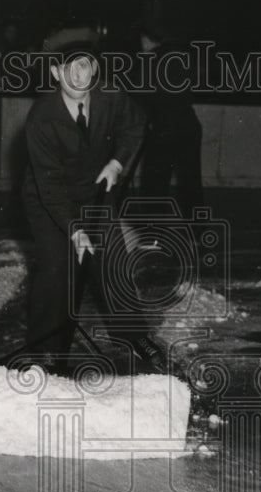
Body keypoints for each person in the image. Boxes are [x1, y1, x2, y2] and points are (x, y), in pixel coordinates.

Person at [21, 26, 165, 371]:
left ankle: (132, 334)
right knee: (57, 268)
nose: (77, 74)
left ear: (94, 69)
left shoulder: (111, 97)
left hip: (95, 194)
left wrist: (117, 163)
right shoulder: (42, 117)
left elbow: (136, 125)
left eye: (84, 65)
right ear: (56, 73)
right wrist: (75, 231)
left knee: (113, 259)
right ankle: (46, 347)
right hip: (48, 199)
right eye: (68, 67)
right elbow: (50, 186)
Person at [135, 20, 204, 218]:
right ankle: (198, 232)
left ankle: (153, 231)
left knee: (154, 183)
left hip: (163, 128)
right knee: (190, 182)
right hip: (189, 125)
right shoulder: (181, 59)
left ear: (147, 40)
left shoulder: (148, 62)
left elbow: (142, 100)